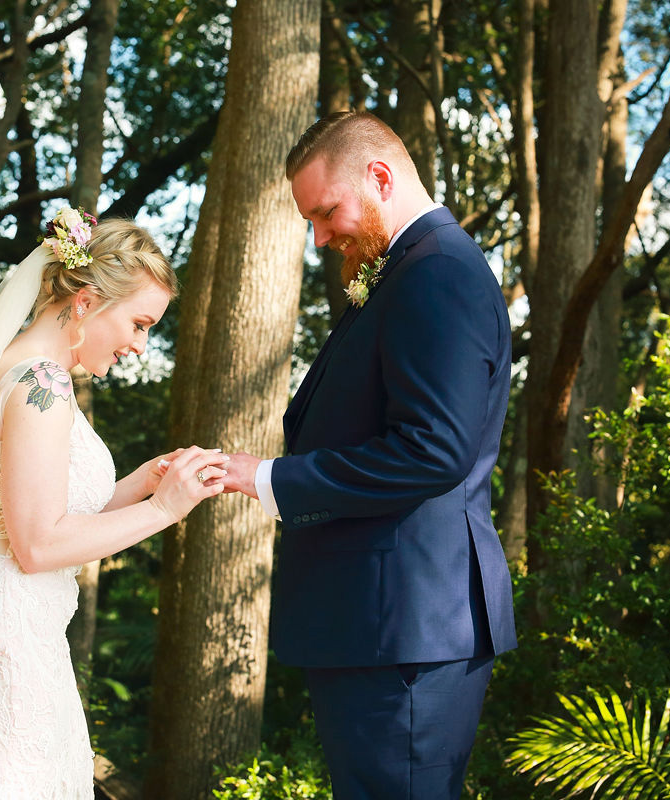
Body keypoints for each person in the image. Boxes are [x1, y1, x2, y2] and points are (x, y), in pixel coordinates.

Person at [0, 210, 228, 799]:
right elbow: (36, 545)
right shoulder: (44, 385)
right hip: (2, 629)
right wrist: (165, 511)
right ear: (85, 300)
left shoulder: (21, 369)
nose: (140, 345)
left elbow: (30, 515)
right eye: (138, 323)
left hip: (2, 618)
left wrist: (140, 485)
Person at [222, 111, 517, 799]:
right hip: (383, 627)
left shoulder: (436, 271)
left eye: (326, 213)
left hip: (408, 629)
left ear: (380, 177)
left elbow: (433, 450)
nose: (322, 237)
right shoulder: (403, 271)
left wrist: (269, 478)